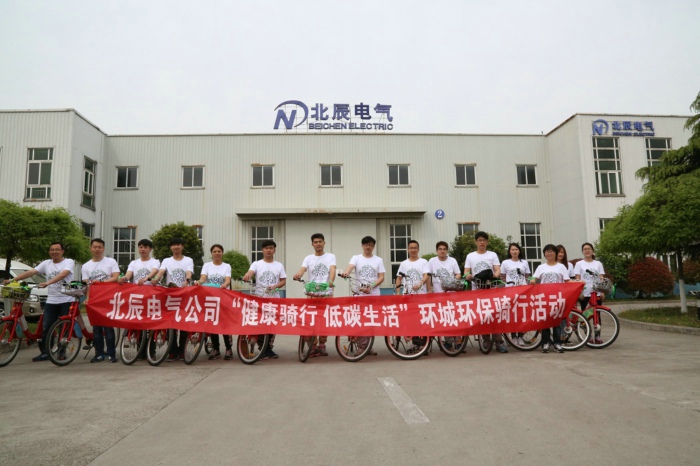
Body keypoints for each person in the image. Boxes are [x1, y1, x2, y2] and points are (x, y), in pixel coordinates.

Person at [3, 242, 74, 362]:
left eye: (57, 249)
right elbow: (31, 272)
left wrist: (47, 282)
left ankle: (62, 353)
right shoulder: (46, 263)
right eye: (52, 250)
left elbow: (63, 274)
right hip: (51, 300)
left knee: (64, 327)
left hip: (66, 299)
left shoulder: (68, 262)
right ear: (49, 252)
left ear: (62, 251)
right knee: (46, 327)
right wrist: (12, 280)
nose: (54, 252)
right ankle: (46, 352)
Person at [292, 233, 336, 357]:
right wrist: (298, 274)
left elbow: (332, 269)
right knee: (311, 319)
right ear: (312, 244)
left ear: (324, 243)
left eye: (320, 241)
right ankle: (313, 345)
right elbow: (303, 269)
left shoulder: (330, 256)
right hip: (312, 293)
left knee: (324, 320)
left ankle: (322, 345)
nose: (318, 244)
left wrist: (331, 282)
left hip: (326, 292)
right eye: (315, 242)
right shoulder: (308, 258)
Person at [341, 236, 385, 356]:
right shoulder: (356, 258)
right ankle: (362, 346)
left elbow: (381, 277)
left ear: (373, 246)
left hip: (373, 294)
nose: (368, 247)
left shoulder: (378, 260)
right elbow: (350, 267)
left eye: (370, 244)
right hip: (360, 294)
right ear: (362, 245)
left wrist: (372, 286)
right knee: (360, 320)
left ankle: (368, 346)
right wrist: (346, 272)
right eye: (365, 244)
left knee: (371, 321)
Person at [151, 237, 194, 362]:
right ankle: (172, 351)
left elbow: (189, 272)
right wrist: (156, 279)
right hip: (171, 295)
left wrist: (187, 280)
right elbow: (161, 272)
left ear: (182, 246)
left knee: (184, 323)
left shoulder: (188, 260)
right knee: (171, 324)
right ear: (171, 247)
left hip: (184, 294)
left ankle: (182, 351)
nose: (176, 247)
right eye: (174, 245)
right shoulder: (166, 260)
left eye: (178, 245)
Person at [243, 240, 286, 359]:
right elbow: (251, 272)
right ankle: (263, 348)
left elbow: (283, 281)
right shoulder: (257, 264)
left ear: (274, 250)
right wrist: (248, 275)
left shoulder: (279, 265)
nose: (268, 250)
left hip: (274, 299)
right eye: (266, 248)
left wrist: (276, 286)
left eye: (271, 248)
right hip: (259, 298)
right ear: (262, 250)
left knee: (272, 325)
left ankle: (268, 348)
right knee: (260, 323)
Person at [464, 231, 506, 352]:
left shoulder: (492, 255)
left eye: (484, 240)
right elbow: (466, 271)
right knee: (482, 316)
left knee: (495, 315)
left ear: (487, 242)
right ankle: (486, 340)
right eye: (479, 240)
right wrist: (468, 275)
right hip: (477, 290)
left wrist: (495, 275)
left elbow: (497, 269)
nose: (482, 242)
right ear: (475, 242)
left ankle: (498, 341)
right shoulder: (470, 256)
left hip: (491, 289)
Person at [82, 238, 121, 363]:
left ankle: (111, 354)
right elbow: (88, 285)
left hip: (108, 298)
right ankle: (99, 354)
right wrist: (87, 298)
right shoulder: (86, 266)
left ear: (103, 248)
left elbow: (116, 277)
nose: (97, 249)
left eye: (99, 247)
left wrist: (101, 282)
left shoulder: (110, 261)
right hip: (94, 301)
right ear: (90, 248)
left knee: (108, 328)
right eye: (95, 247)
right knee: (97, 329)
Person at [195, 244, 233, 360]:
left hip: (223, 298)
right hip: (210, 299)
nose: (217, 253)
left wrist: (224, 285)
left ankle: (228, 349)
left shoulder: (226, 266)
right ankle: (216, 349)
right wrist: (199, 282)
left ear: (222, 253)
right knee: (213, 323)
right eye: (215, 251)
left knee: (224, 324)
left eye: (219, 251)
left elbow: (228, 279)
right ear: (211, 253)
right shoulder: (207, 265)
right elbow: (203, 278)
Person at [532, 244, 570, 353]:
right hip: (544, 297)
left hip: (557, 297)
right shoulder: (541, 267)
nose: (549, 253)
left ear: (555, 253)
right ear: (544, 254)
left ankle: (557, 343)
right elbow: (534, 277)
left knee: (556, 321)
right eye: (547, 251)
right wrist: (533, 280)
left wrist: (579, 282)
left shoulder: (561, 267)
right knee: (545, 321)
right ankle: (546, 343)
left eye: (552, 251)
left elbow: (567, 281)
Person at [574, 242, 606, 344]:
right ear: (582, 251)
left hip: (596, 293)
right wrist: (579, 292)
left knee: (597, 315)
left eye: (589, 249)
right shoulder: (579, 264)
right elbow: (577, 279)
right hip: (585, 293)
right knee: (585, 315)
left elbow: (601, 278)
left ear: (592, 251)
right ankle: (588, 336)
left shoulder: (598, 264)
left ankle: (597, 336)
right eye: (585, 249)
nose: (587, 250)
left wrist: (602, 291)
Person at [500, 242, 530, 347]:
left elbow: (527, 276)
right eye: (512, 249)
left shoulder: (524, 262)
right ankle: (513, 336)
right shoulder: (505, 263)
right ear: (509, 251)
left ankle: (520, 336)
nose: (514, 251)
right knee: (512, 314)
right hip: (510, 291)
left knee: (521, 314)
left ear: (519, 251)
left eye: (516, 249)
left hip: (523, 291)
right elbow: (502, 277)